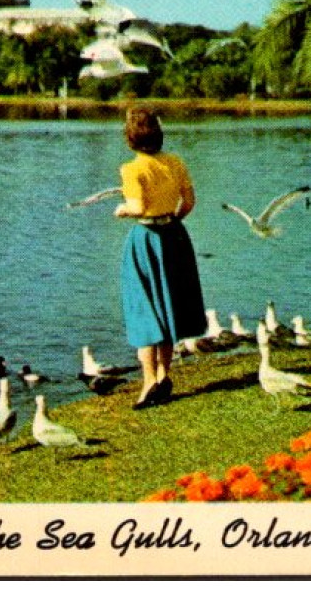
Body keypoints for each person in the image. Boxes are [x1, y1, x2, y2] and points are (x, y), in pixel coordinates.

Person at [113, 106, 208, 409]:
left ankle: (149, 380)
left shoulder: (132, 169)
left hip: (146, 238)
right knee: (168, 304)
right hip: (173, 236)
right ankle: (165, 374)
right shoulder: (176, 163)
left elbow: (138, 207)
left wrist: (121, 209)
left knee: (142, 307)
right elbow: (189, 202)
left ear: (129, 139)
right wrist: (174, 220)